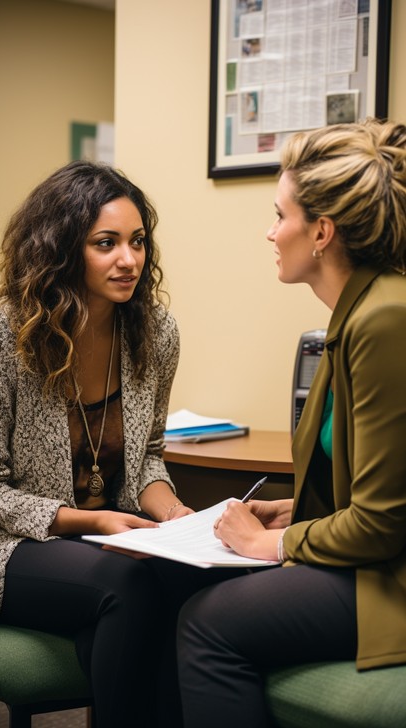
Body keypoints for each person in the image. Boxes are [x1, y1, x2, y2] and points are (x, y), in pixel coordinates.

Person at [176, 118, 406, 728]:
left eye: (280, 216)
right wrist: (294, 512)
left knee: (206, 623)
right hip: (375, 559)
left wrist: (269, 543)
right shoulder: (357, 311)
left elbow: (381, 525)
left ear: (322, 232)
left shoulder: (385, 320)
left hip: (391, 578)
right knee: (183, 593)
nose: (270, 232)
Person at [0, 159, 199, 728]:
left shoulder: (156, 333)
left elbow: (148, 455)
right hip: (13, 542)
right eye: (105, 243)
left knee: (190, 581)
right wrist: (93, 521)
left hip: (105, 540)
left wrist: (175, 515)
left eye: (137, 241)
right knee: (130, 588)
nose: (129, 260)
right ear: (63, 250)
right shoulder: (6, 336)